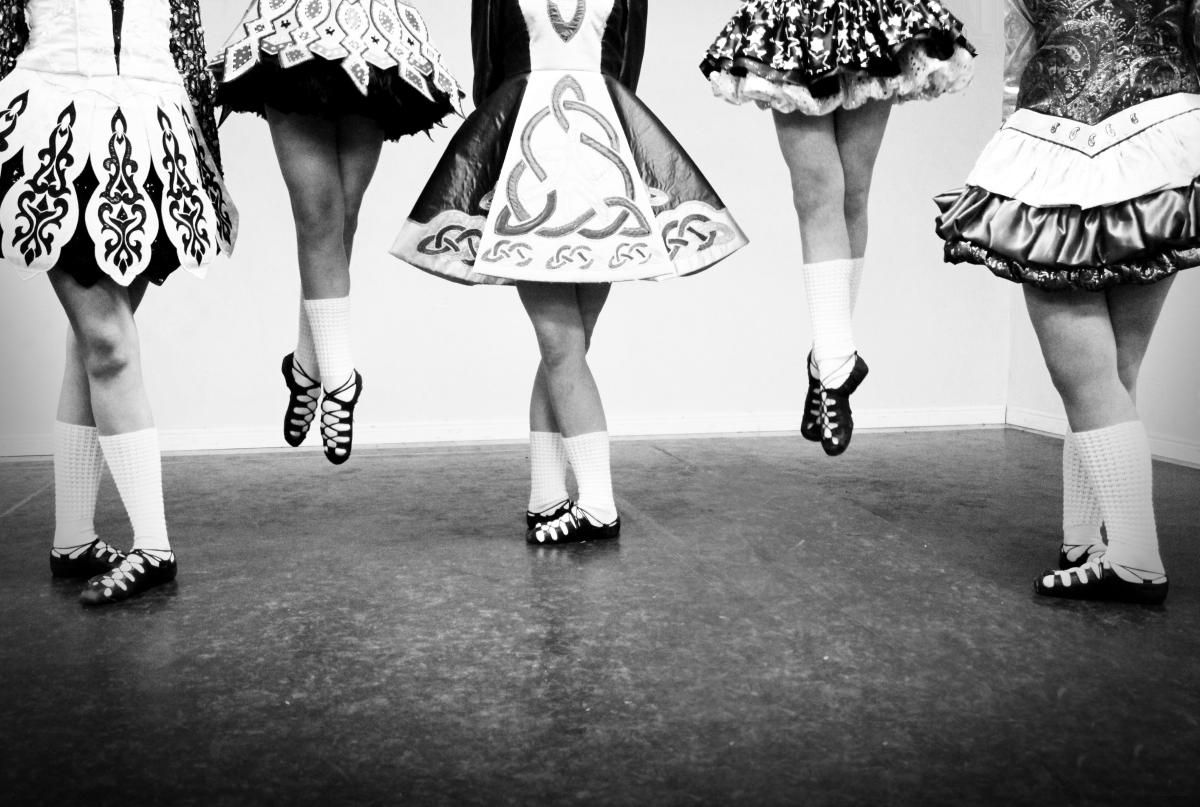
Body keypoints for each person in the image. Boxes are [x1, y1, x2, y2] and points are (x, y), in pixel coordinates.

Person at [392, 0, 748, 544]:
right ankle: (600, 505)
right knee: (561, 346)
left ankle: (545, 498)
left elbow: (624, 69)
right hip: (525, 160)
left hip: (603, 158)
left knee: (567, 349)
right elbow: (487, 72)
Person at [936, 0, 1200, 604]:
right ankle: (1084, 540)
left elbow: (1019, 57)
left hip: (1056, 146)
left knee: (1084, 380)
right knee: (1114, 375)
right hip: (1165, 144)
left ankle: (1133, 559)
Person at [0, 0, 238, 604]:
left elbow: (187, 54)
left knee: (95, 345)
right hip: (53, 140)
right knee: (108, 343)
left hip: (156, 142)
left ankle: (73, 539)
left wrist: (214, 173)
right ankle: (154, 548)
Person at [701, 1, 975, 454]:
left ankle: (826, 357)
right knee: (816, 192)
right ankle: (835, 364)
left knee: (853, 192)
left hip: (869, 12)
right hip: (793, 18)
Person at [210, 0, 463, 463]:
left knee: (344, 214)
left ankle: (306, 365)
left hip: (373, 32)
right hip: (294, 27)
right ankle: (341, 379)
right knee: (319, 212)